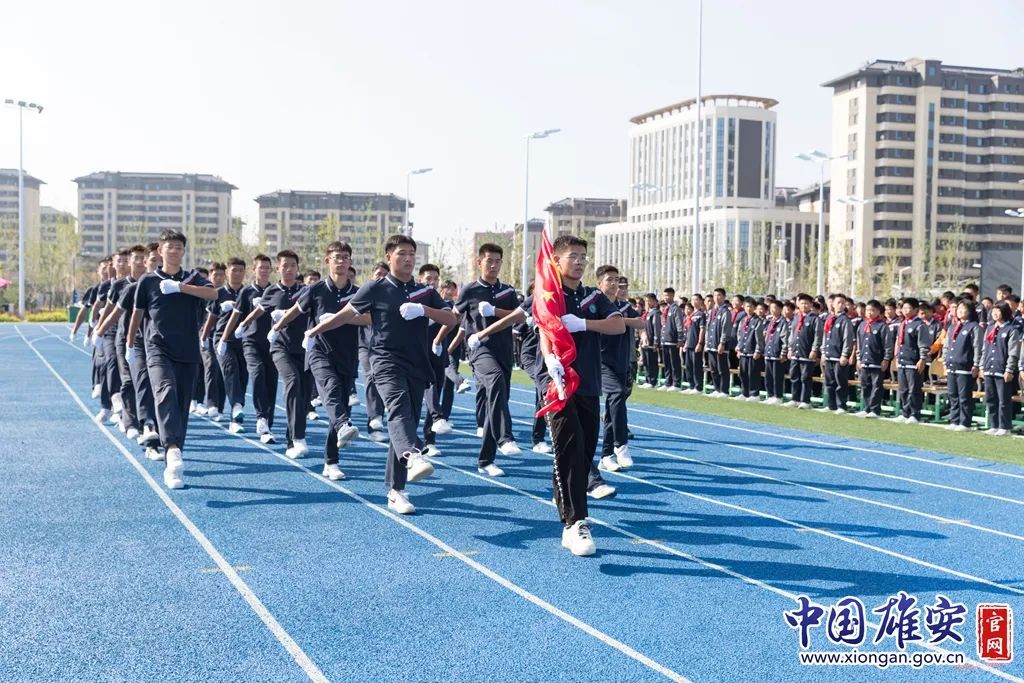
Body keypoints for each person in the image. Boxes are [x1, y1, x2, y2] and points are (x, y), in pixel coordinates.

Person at [306, 234, 457, 515]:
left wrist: (423, 310)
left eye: (412, 253)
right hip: (385, 361)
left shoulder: (424, 292)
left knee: (406, 423)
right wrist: (315, 330)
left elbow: (451, 318)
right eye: (402, 253)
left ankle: (396, 491)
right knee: (398, 410)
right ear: (389, 257)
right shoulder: (375, 288)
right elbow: (347, 313)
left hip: (417, 364)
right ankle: (413, 456)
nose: (408, 258)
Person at [535, 235, 625, 556]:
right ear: (557, 261)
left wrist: (585, 324)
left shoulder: (593, 296)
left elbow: (618, 326)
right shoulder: (550, 294)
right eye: (572, 256)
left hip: (588, 384)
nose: (579, 261)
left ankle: (566, 499)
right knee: (569, 450)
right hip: (559, 384)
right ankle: (575, 524)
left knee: (584, 454)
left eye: (583, 256)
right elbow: (545, 329)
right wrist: (550, 359)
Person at [126, 230, 217, 489]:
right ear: (160, 251)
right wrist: (130, 344)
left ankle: (172, 461)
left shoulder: (193, 278)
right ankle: (172, 447)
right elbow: (137, 314)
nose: (174, 250)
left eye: (179, 247)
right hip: (158, 348)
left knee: (181, 406)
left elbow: (213, 294)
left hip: (187, 351)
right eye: (170, 246)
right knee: (165, 390)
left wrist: (180, 288)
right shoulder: (148, 281)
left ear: (183, 251)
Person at [275, 241, 365, 479]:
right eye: (337, 257)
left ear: (350, 261)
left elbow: (369, 318)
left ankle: (331, 462)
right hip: (319, 352)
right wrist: (276, 327)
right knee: (331, 388)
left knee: (341, 404)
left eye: (345, 257)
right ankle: (343, 425)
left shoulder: (357, 293)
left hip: (347, 355)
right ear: (327, 261)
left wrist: (341, 318)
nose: (341, 261)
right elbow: (295, 310)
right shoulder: (315, 289)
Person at [459, 243, 523, 477]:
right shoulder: (469, 290)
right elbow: (454, 318)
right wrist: (439, 341)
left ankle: (486, 460)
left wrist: (495, 311)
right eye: (489, 261)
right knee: (495, 380)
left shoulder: (508, 292)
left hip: (504, 352)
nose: (493, 265)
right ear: (479, 262)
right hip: (480, 350)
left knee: (494, 404)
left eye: (497, 261)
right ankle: (505, 437)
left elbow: (519, 318)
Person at [240, 250, 310, 458]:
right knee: (292, 381)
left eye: (293, 265)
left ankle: (293, 435)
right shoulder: (272, 291)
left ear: (297, 269)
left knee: (304, 395)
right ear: (278, 269)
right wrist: (244, 324)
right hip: (280, 347)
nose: (289, 269)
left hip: (303, 349)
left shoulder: (306, 291)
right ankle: (296, 439)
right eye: (285, 265)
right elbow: (260, 310)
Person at [91, 245, 147, 440]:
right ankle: (115, 407)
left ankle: (143, 420)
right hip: (120, 336)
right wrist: (98, 329)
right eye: (134, 258)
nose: (138, 262)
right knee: (118, 370)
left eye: (142, 258)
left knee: (143, 380)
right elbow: (110, 309)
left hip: (146, 338)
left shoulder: (150, 283)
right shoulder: (118, 286)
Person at [222, 254, 278, 444]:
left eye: (267, 268)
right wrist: (224, 339)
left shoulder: (275, 291)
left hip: (272, 344)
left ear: (271, 270)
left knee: (271, 382)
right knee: (258, 373)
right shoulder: (247, 292)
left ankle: (267, 425)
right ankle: (260, 417)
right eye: (260, 267)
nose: (264, 271)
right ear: (254, 270)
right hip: (251, 342)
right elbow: (235, 316)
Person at [595, 265, 644, 471]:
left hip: (622, 362)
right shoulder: (594, 305)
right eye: (610, 280)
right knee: (616, 395)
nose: (615, 284)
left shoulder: (623, 307)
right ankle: (621, 445)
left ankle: (606, 456)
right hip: (601, 362)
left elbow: (641, 323)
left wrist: (620, 320)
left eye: (617, 280)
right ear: (599, 283)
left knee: (614, 406)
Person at [419, 263, 455, 456]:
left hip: (438, 352)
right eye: (428, 279)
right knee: (428, 387)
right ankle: (436, 417)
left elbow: (451, 320)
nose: (432, 282)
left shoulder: (442, 302)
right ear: (420, 280)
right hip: (418, 353)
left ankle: (429, 440)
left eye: (435, 279)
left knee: (436, 389)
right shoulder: (414, 298)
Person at [211, 257, 249, 434]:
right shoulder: (218, 293)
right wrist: (204, 337)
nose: (237, 273)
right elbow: (211, 317)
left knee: (242, 377)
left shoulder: (248, 293)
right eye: (234, 270)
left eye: (241, 270)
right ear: (227, 272)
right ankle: (236, 408)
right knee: (230, 370)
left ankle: (236, 416)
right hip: (223, 340)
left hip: (244, 340)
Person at [358, 261, 390, 442]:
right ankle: (375, 418)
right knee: (371, 375)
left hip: (386, 347)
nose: (381, 278)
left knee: (385, 380)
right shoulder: (365, 293)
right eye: (378, 274)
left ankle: (378, 420)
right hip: (365, 345)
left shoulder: (392, 295)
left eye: (384, 275)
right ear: (372, 275)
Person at [944, 300, 982, 432]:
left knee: (964, 396)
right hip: (952, 365)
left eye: (963, 309)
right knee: (952, 395)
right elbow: (947, 345)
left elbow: (977, 347)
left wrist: (976, 364)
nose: (960, 311)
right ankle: (955, 420)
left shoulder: (974, 327)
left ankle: (965, 422)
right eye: (958, 309)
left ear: (970, 311)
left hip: (965, 367)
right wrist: (945, 360)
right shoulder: (952, 326)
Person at [892, 298, 933, 424]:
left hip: (914, 361)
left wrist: (922, 359)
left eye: (909, 308)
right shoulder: (902, 324)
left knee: (914, 389)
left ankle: (915, 414)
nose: (906, 311)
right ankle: (905, 412)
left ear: (916, 310)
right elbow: (898, 342)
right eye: (904, 308)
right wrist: (897, 356)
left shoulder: (920, 325)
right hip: (902, 360)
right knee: (903, 389)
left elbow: (923, 344)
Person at [984, 302, 1020, 436]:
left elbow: (1013, 352)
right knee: (991, 398)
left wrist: (1009, 369)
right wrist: (982, 366)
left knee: (1003, 400)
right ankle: (994, 425)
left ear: (1005, 312)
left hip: (1002, 370)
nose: (995, 313)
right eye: (993, 311)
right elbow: (984, 349)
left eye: (998, 311)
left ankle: (1005, 426)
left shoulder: (1011, 330)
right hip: (989, 368)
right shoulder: (990, 328)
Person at [853, 299, 891, 419]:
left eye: (873, 310)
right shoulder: (862, 325)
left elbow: (887, 345)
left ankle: (875, 409)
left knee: (876, 386)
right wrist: (858, 358)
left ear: (878, 312)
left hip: (877, 361)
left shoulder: (882, 326)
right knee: (865, 385)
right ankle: (866, 408)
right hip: (864, 360)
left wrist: (886, 359)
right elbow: (859, 343)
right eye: (868, 310)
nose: (869, 313)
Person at [198, 262, 227, 420]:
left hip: (222, 337)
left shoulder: (226, 294)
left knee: (222, 371)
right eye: (216, 275)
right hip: (205, 336)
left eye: (222, 275)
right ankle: (211, 404)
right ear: (210, 276)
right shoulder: (204, 294)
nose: (219, 278)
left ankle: (220, 407)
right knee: (210, 366)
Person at [787, 293, 822, 409]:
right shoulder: (796, 317)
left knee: (805, 377)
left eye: (807, 303)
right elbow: (792, 334)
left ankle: (805, 400)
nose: (804, 305)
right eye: (802, 303)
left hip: (807, 353)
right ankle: (795, 399)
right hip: (795, 352)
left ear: (811, 305)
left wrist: (814, 350)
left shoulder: (815, 319)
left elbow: (818, 336)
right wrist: (790, 348)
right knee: (794, 376)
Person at [821, 293, 854, 413]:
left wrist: (845, 354)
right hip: (829, 355)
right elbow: (825, 336)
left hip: (839, 357)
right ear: (833, 304)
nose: (840, 305)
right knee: (829, 382)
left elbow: (847, 339)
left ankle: (841, 405)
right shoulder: (829, 319)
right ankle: (831, 405)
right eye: (838, 302)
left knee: (840, 382)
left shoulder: (845, 320)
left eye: (843, 303)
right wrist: (823, 352)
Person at [736, 297, 765, 401]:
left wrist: (758, 350)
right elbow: (739, 335)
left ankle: (754, 394)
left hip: (752, 352)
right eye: (747, 306)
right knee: (743, 373)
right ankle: (744, 393)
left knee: (753, 373)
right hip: (743, 351)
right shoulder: (743, 320)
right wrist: (739, 348)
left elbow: (759, 338)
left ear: (754, 308)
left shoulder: (757, 321)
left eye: (751, 307)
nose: (749, 309)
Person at [762, 300, 790, 405]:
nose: (772, 310)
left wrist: (783, 353)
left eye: (775, 308)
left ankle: (778, 396)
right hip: (769, 352)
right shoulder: (770, 321)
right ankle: (770, 395)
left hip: (777, 354)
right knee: (768, 376)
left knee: (777, 377)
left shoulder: (783, 322)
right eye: (771, 308)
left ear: (780, 309)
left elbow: (785, 339)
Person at [705, 288, 732, 397]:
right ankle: (717, 388)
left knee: (722, 368)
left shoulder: (725, 311)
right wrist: (707, 342)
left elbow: (726, 329)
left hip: (720, 345)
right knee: (713, 368)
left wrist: (722, 342)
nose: (717, 297)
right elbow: (708, 328)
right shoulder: (711, 311)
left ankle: (724, 390)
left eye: (719, 295)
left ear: (724, 297)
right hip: (711, 344)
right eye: (715, 295)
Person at [682, 294, 707, 395]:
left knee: (696, 366)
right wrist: (686, 343)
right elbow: (688, 331)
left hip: (696, 344)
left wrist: (700, 343)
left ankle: (698, 387)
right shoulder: (691, 315)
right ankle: (691, 385)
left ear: (701, 301)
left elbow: (702, 330)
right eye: (692, 300)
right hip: (689, 344)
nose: (694, 301)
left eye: (696, 299)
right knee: (689, 366)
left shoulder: (701, 314)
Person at [658, 288, 682, 391]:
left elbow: (679, 324)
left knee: (674, 362)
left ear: (672, 295)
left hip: (673, 340)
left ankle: (676, 383)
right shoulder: (666, 308)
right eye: (664, 295)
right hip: (665, 339)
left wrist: (680, 338)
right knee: (667, 363)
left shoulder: (675, 308)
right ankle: (668, 382)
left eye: (667, 295)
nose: (665, 297)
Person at [639, 293, 661, 388]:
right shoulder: (647, 313)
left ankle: (652, 381)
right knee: (646, 362)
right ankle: (647, 379)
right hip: (645, 343)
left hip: (651, 342)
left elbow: (656, 328)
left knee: (652, 362)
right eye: (646, 301)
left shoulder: (655, 313)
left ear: (654, 301)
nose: (647, 303)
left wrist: (656, 342)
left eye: (649, 301)